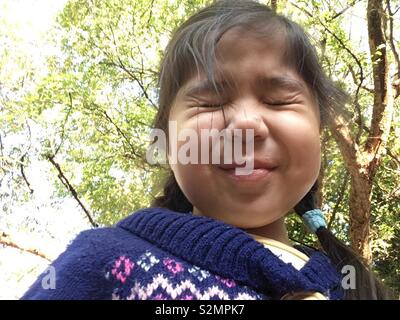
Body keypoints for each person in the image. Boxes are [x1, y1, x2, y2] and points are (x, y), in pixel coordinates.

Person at [22, 0, 392, 300]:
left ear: (320, 133)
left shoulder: (353, 286)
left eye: (279, 101)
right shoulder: (101, 259)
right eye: (211, 103)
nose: (246, 124)